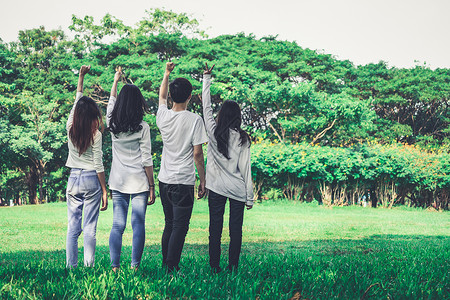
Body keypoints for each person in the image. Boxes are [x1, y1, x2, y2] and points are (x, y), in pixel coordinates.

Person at [201, 63, 254, 273]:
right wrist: (249, 197)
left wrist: (206, 78)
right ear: (238, 117)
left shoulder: (214, 133)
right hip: (238, 190)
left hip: (216, 188)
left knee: (215, 229)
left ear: (221, 114)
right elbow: (246, 169)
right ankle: (233, 267)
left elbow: (206, 108)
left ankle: (214, 267)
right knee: (236, 231)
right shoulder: (243, 138)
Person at [157, 62, 208, 272]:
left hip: (164, 180)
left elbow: (160, 97)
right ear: (189, 97)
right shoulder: (195, 120)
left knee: (169, 223)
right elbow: (197, 153)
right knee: (180, 226)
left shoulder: (163, 115)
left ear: (171, 97)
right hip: (183, 180)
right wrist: (203, 180)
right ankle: (171, 266)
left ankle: (166, 263)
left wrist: (166, 73)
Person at [107, 67, 156, 271]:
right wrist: (152, 186)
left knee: (118, 225)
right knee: (138, 225)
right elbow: (146, 158)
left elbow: (111, 100)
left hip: (118, 181)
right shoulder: (142, 127)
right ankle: (135, 266)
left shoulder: (112, 122)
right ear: (138, 103)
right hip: (139, 182)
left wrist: (116, 80)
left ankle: (115, 267)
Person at [65, 65, 108, 268]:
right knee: (90, 228)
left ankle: (70, 267)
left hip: (73, 179)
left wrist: (80, 77)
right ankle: (88, 266)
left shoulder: (70, 128)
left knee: (73, 228)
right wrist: (105, 190)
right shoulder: (96, 134)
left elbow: (77, 102)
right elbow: (98, 163)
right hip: (91, 178)